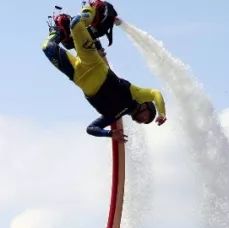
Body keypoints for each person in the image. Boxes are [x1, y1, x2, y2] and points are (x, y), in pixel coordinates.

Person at [42, 2, 167, 141]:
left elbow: (91, 129)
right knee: (76, 23)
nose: (143, 121)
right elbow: (156, 93)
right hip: (93, 62)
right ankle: (94, 8)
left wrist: (110, 134)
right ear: (146, 106)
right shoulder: (136, 95)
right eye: (147, 118)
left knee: (47, 47)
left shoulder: (113, 116)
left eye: (145, 122)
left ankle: (61, 32)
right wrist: (161, 113)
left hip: (76, 75)